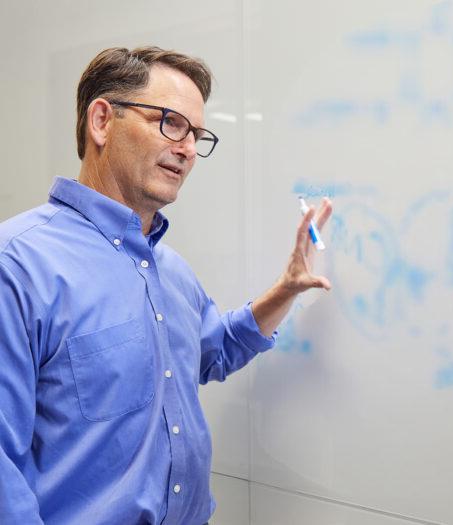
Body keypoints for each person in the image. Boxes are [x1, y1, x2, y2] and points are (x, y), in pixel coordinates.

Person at [0, 47, 332, 524]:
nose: (188, 149)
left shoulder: (169, 269)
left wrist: (287, 287)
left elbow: (213, 350)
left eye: (197, 134)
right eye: (171, 123)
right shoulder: (19, 265)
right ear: (101, 121)